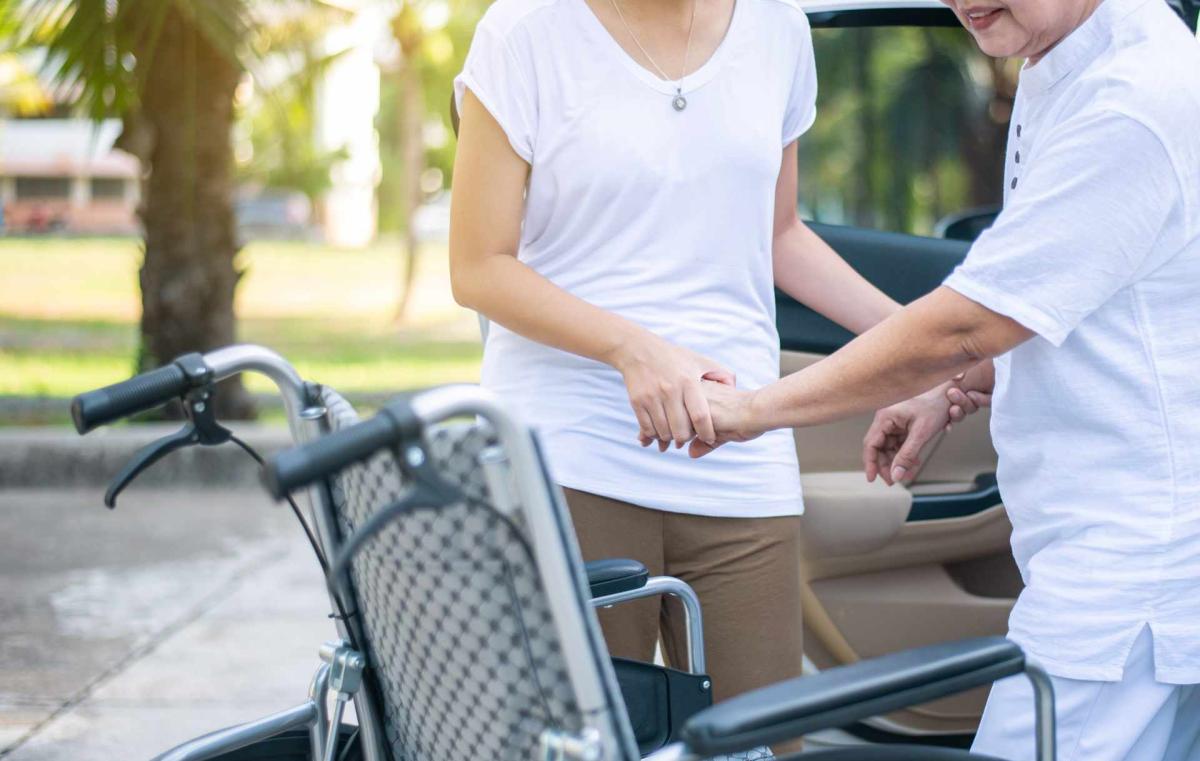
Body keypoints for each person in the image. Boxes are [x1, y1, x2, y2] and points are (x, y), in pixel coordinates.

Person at [683, 0, 1200, 757]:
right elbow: (1095, 303)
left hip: (1126, 572)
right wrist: (969, 376)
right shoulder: (1063, 61)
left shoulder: (1132, 99)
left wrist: (753, 410)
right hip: (1114, 553)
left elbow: (967, 322)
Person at [447, 0, 901, 736]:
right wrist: (631, 348)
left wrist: (915, 346)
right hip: (572, 458)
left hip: (739, 459)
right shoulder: (523, 31)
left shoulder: (779, 27)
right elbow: (479, 267)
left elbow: (780, 233)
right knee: (586, 744)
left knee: (760, 746)